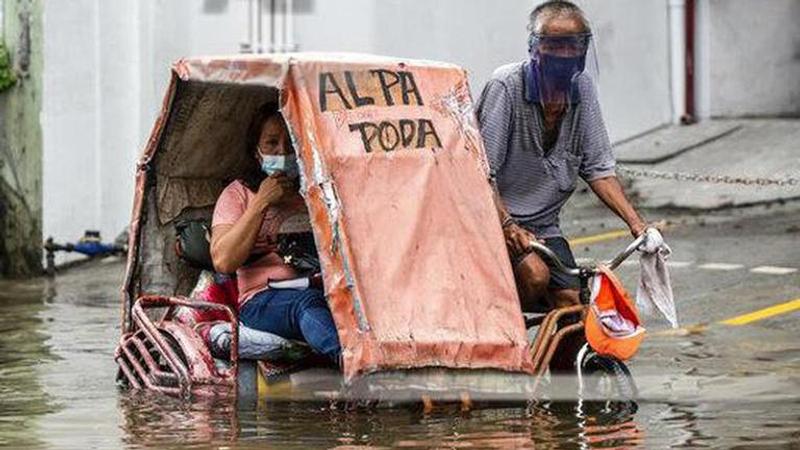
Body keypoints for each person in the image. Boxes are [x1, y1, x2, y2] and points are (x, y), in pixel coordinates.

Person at [476, 1, 654, 310]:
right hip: (493, 223)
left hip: (544, 229)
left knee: (574, 307)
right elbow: (480, 174)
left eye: (574, 45)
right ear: (535, 48)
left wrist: (637, 224)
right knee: (534, 276)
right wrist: (507, 226)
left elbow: (599, 168)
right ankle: (502, 344)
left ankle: (558, 361)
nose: (565, 55)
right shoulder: (506, 86)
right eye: (554, 46)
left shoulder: (582, 88)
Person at [210, 104, 341, 364]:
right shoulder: (238, 194)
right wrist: (261, 202)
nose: (282, 152)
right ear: (257, 153)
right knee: (308, 304)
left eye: (290, 142)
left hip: (324, 290)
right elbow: (223, 261)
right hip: (262, 302)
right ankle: (355, 369)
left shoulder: (319, 193)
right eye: (271, 143)